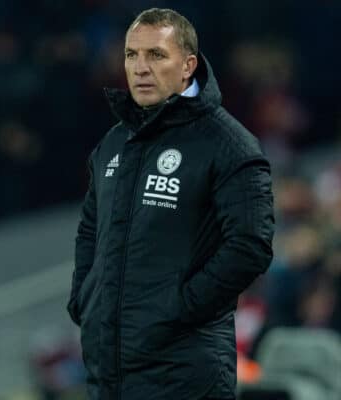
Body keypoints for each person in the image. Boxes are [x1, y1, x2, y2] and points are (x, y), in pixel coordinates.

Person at [67, 8, 274, 400]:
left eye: (156, 55)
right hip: (108, 370)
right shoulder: (114, 143)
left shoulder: (228, 144)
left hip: (185, 373)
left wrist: (179, 310)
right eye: (132, 55)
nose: (140, 68)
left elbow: (250, 245)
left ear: (188, 65)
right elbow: (90, 229)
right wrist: (85, 299)